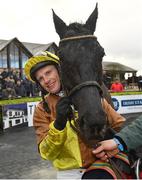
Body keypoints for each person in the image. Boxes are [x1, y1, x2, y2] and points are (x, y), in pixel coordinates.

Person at [24, 51, 131, 179]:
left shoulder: (90, 95)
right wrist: (58, 126)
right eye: (40, 78)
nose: (46, 80)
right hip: (68, 174)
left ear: (60, 70)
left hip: (102, 167)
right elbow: (46, 153)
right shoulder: (42, 109)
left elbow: (120, 126)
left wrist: (113, 147)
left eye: (48, 72)